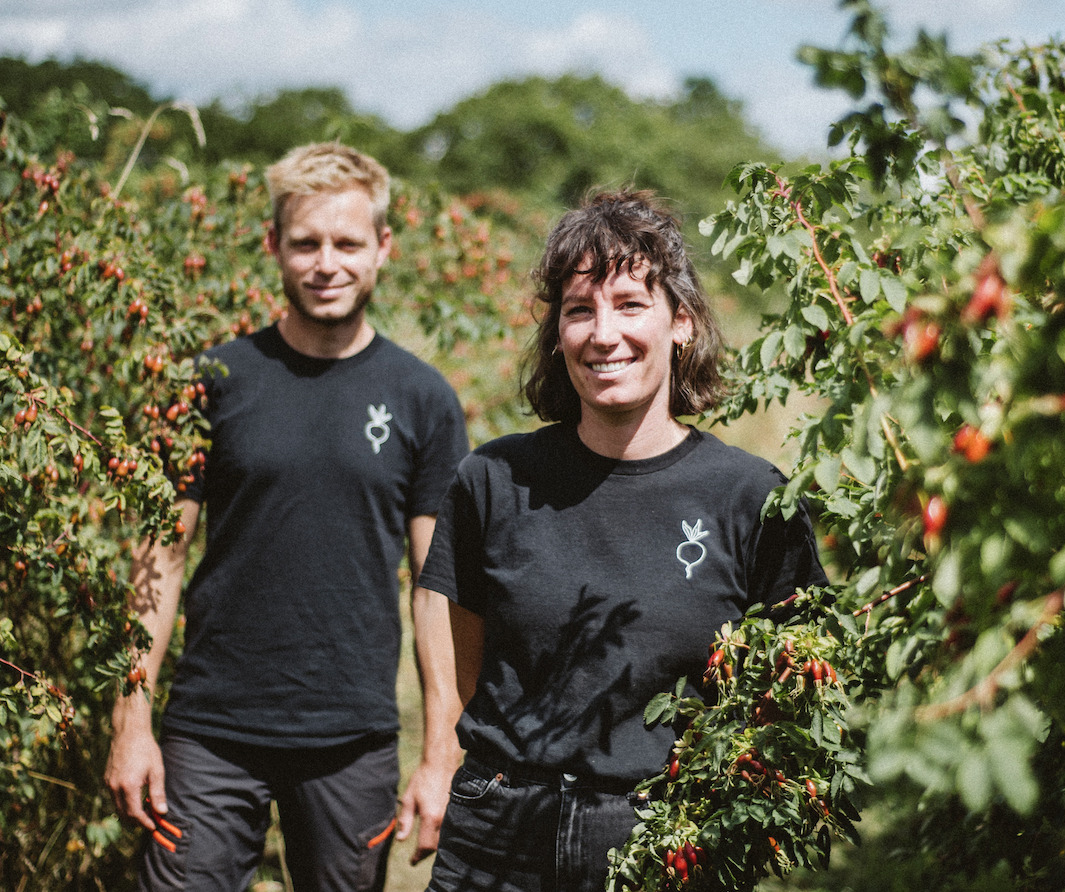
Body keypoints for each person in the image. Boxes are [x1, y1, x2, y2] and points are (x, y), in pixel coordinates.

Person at [415, 189, 829, 892]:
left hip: (668, 840)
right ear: (557, 334)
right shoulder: (493, 480)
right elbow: (466, 663)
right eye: (579, 310)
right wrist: (439, 763)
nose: (603, 334)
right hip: (498, 834)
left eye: (631, 304)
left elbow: (790, 691)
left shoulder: (750, 497)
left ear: (681, 323)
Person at [104, 142, 470, 891]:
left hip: (352, 741)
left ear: (383, 247)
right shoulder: (212, 382)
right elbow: (157, 561)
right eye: (306, 243)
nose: (326, 264)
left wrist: (441, 754)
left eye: (347, 243)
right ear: (273, 244)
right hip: (209, 734)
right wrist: (130, 723)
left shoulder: (423, 398)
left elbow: (437, 589)